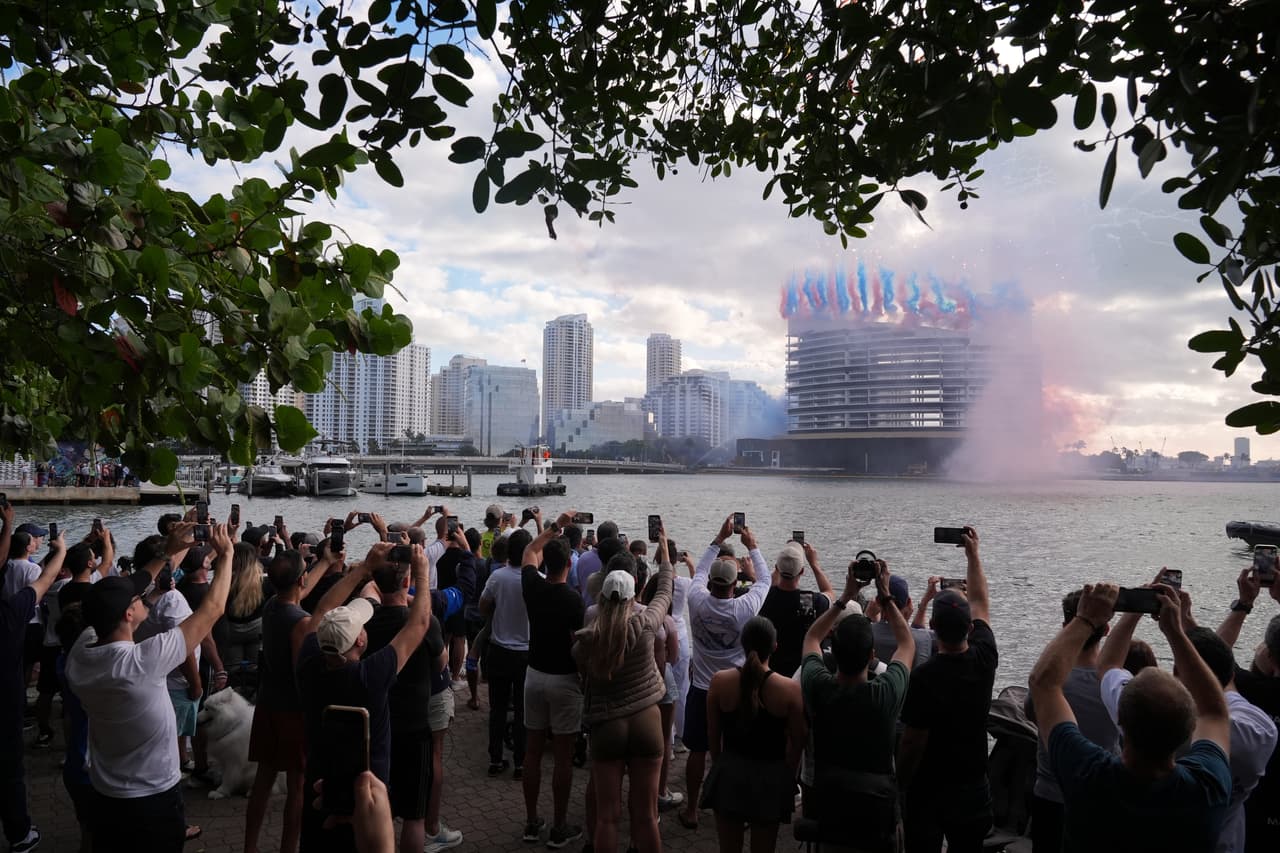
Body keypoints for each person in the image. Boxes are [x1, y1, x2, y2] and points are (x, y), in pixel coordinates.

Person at [1029, 582, 1233, 852]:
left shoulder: (1087, 775)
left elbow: (1043, 683)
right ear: (1189, 730)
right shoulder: (1207, 789)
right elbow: (1215, 711)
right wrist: (1175, 632)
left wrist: (1085, 620)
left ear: (1120, 721)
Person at [66, 521, 229, 853]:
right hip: (152, 798)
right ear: (129, 614)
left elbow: (136, 590)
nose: (144, 596)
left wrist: (167, 553)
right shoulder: (142, 662)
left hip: (106, 794)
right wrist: (226, 556)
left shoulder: (80, 653)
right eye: (138, 599)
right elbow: (212, 610)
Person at [296, 541, 432, 853]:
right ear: (360, 639)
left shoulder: (309, 663)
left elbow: (321, 610)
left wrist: (364, 569)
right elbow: (419, 623)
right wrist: (423, 574)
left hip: (320, 785)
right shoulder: (370, 676)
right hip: (366, 797)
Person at [572, 523, 673, 853]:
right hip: (646, 720)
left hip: (607, 724)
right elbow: (665, 591)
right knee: (646, 816)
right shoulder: (645, 624)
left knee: (607, 817)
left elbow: (581, 671)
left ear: (601, 596)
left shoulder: (588, 639)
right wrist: (664, 550)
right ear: (634, 595)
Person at [799, 558, 914, 849]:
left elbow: (812, 637)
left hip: (831, 805)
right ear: (872, 655)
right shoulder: (885, 692)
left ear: (833, 653)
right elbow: (906, 644)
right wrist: (886, 595)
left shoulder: (818, 685)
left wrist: (845, 597)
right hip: (876, 811)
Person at [897, 526, 995, 853]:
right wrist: (973, 555)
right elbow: (980, 601)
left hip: (929, 788)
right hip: (972, 783)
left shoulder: (924, 676)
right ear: (970, 627)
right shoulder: (985, 659)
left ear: (933, 626)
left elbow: (913, 741)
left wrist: (901, 783)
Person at [362, 543, 459, 853]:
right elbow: (442, 664)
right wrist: (421, 575)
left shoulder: (365, 620)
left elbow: (368, 590)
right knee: (415, 815)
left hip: (377, 725)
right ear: (408, 581)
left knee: (378, 805)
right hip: (415, 724)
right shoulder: (424, 624)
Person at [679, 515, 772, 830]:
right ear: (735, 585)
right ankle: (735, 809)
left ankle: (692, 810)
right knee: (735, 752)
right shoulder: (743, 608)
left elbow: (699, 571)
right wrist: (753, 546)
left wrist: (718, 539)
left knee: (697, 751)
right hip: (735, 688)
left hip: (701, 687)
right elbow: (764, 581)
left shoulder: (696, 599)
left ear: (711, 583)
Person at [1023, 590, 1119, 853]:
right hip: (1101, 797)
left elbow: (1032, 712)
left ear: (1066, 626)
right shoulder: (1115, 686)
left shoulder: (1047, 684)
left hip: (1050, 796)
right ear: (1107, 629)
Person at [702, 615, 806, 853]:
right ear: (775, 646)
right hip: (769, 779)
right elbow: (798, 740)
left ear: (742, 643)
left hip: (730, 773)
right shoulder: (789, 690)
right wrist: (787, 774)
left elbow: (713, 733)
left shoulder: (719, 682)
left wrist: (720, 765)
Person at [517, 513, 585, 847]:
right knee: (562, 757)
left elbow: (529, 550)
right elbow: (578, 645)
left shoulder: (533, 586)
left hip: (534, 674)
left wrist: (554, 526)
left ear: (547, 563)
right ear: (570, 563)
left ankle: (531, 823)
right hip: (565, 679)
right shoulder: (574, 600)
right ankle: (559, 826)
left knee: (531, 752)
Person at [245, 550, 319, 853]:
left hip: (267, 703)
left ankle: (250, 847)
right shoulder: (301, 622)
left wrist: (326, 562)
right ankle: (288, 848)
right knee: (297, 786)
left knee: (263, 780)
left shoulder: (272, 606)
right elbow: (301, 674)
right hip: (292, 711)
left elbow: (298, 593)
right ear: (301, 580)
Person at [0, 504, 64, 853]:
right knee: (10, 774)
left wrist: (6, 525)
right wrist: (62, 551)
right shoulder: (12, 610)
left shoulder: (9, 570)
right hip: (5, 707)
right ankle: (20, 834)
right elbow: (45, 580)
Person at [1215, 567, 1280, 852]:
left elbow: (1214, 655)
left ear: (1269, 656)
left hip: (1252, 820)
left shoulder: (1250, 690)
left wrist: (1244, 604)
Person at [479, 527, 533, 777]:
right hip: (526, 653)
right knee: (523, 711)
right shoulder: (537, 579)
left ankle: (495, 758)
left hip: (499, 649)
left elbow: (483, 606)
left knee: (497, 709)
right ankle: (521, 762)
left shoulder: (497, 577)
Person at [758, 540, 835, 678]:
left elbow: (770, 586)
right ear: (802, 571)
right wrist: (814, 564)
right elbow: (829, 593)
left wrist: (781, 564)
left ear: (777, 568)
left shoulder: (763, 597)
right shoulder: (809, 600)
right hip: (800, 673)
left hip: (771, 672)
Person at [870, 574, 933, 669]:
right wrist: (923, 604)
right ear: (909, 602)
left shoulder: (865, 633)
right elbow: (916, 632)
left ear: (878, 601)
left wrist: (870, 617)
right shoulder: (922, 638)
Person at [222, 542, 266, 668]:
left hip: (232, 630)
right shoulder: (263, 580)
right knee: (255, 666)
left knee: (233, 668)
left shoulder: (225, 581)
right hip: (257, 629)